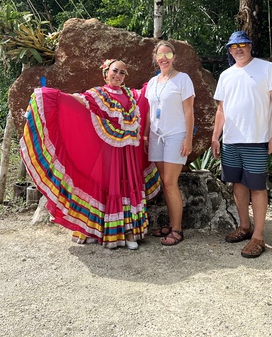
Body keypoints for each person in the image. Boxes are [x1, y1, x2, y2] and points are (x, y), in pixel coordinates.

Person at [20, 59, 161, 250]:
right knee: (110, 188)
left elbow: (146, 96)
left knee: (126, 187)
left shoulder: (131, 95)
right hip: (109, 154)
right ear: (106, 73)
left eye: (122, 73)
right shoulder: (98, 94)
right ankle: (101, 230)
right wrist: (52, 97)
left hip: (128, 155)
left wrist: (160, 78)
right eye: (115, 71)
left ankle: (129, 231)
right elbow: (77, 101)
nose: (118, 75)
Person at [211, 30, 272, 258]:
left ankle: (258, 237)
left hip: (256, 139)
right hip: (231, 140)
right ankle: (244, 227)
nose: (238, 49)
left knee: (257, 187)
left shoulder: (266, 68)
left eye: (242, 45)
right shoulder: (226, 75)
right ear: (229, 51)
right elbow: (222, 109)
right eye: (233, 47)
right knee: (238, 185)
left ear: (250, 46)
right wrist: (216, 137)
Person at [145, 41, 195, 246]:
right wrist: (146, 136)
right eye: (160, 54)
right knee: (164, 183)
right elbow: (149, 111)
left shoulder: (183, 79)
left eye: (168, 54)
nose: (164, 58)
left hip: (176, 135)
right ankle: (172, 223)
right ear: (156, 58)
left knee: (170, 182)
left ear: (174, 57)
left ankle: (177, 230)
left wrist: (188, 138)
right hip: (157, 136)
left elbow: (189, 111)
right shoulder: (153, 82)